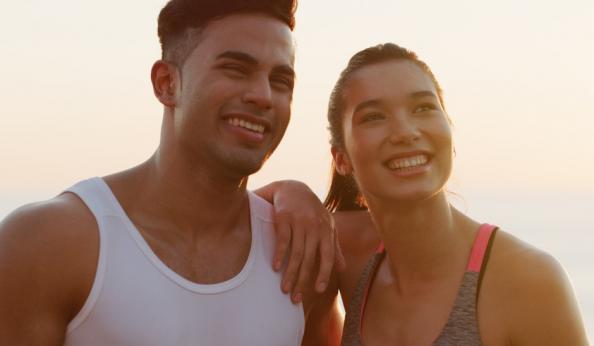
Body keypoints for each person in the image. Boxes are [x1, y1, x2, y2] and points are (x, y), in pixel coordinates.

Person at [0, 1, 343, 344]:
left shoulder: (303, 259)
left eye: (280, 81)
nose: (263, 96)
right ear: (166, 83)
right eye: (236, 69)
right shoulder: (49, 243)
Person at [317, 43, 588, 345]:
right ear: (341, 158)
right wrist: (288, 192)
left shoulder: (529, 282)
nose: (406, 131)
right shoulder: (346, 252)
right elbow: (260, 218)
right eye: (373, 117)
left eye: (423, 108)